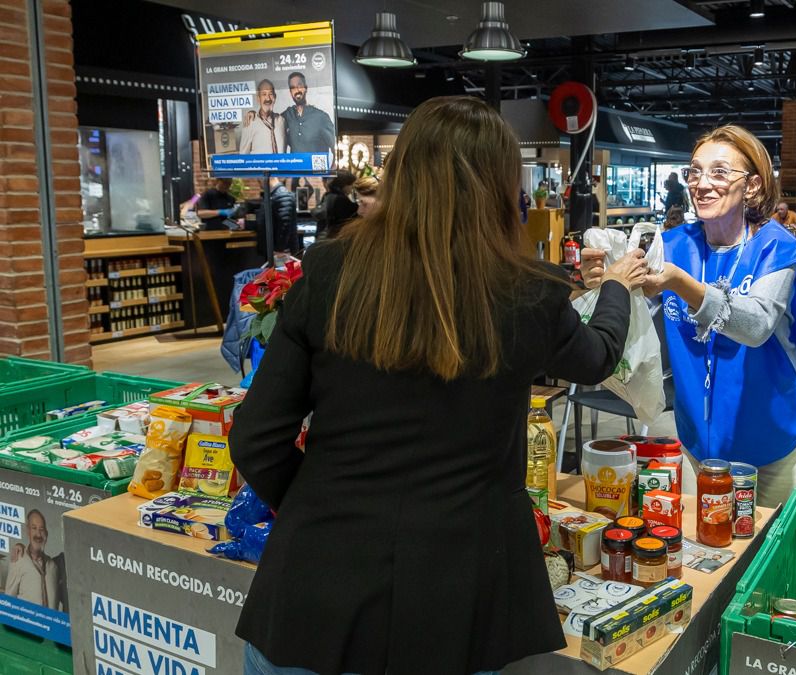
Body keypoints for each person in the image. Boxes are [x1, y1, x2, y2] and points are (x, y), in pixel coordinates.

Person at [229, 95, 646, 675]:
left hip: (314, 596)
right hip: (463, 599)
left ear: (400, 175)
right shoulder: (527, 292)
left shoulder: (328, 270)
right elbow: (597, 357)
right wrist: (618, 288)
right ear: (502, 187)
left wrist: (320, 508)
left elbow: (255, 436)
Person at [584, 124, 796, 508]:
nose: (702, 183)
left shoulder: (775, 246)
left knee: (795, 560)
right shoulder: (671, 245)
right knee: (716, 559)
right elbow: (634, 314)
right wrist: (606, 284)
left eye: (719, 172)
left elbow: (755, 325)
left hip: (778, 444)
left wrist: (682, 285)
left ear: (752, 185)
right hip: (703, 447)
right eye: (695, 171)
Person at [5, 511, 59, 610]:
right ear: (28, 531)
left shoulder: (53, 566)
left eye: (41, 529)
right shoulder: (18, 561)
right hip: (25, 624)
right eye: (34, 528)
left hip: (50, 625)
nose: (38, 534)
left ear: (46, 534)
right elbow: (8, 602)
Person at [282, 72, 336, 156]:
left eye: (299, 86)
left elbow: (337, 149)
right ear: (290, 92)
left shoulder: (321, 117)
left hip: (317, 168)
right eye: (293, 88)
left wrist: (332, 167)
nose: (297, 90)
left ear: (306, 88)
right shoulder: (287, 116)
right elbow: (270, 119)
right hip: (295, 168)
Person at [240, 80, 285, 155]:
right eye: (264, 94)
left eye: (270, 94)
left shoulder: (282, 120)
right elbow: (243, 155)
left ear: (275, 97)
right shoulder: (250, 122)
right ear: (258, 98)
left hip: (281, 166)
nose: (268, 98)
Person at [258, 176, 298, 258]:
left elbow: (285, 225)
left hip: (281, 252)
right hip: (278, 250)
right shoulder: (276, 195)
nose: (260, 185)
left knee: (282, 270)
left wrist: (280, 249)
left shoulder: (281, 194)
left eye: (259, 181)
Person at [313, 171, 357, 240]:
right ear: (345, 185)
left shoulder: (327, 195)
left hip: (322, 236)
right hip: (333, 238)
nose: (352, 189)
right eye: (351, 185)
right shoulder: (341, 199)